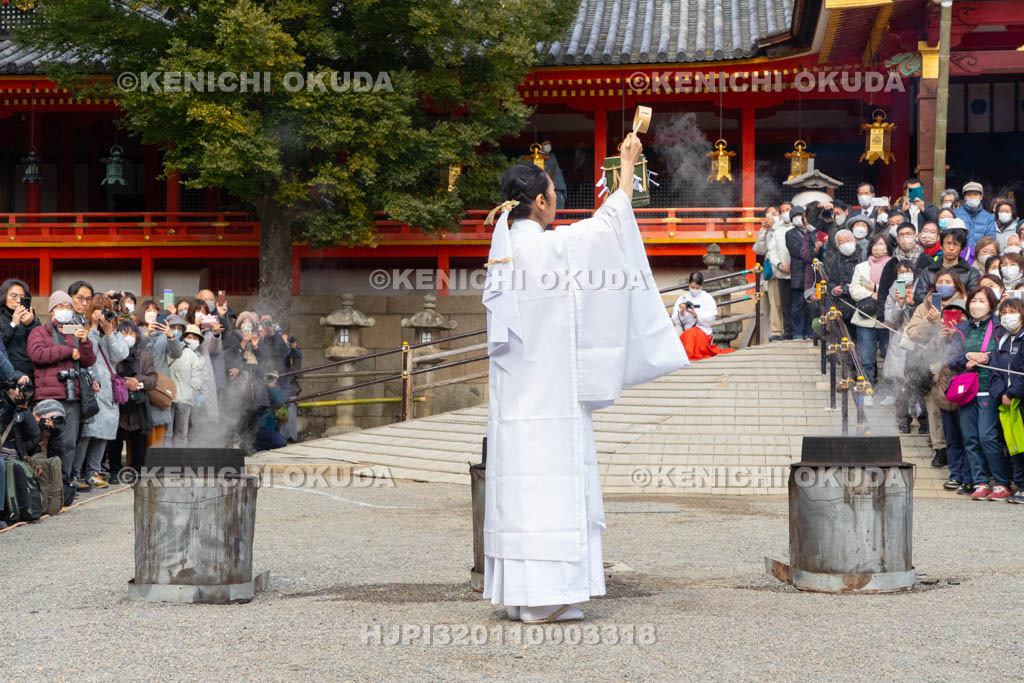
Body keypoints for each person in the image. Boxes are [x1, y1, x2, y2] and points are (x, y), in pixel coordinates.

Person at [481, 133, 686, 624]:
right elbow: (607, 228)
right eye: (553, 195)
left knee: (519, 492)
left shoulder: (503, 257)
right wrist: (628, 167)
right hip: (551, 402)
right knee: (552, 490)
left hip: (515, 404)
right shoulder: (551, 250)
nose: (557, 203)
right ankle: (546, 599)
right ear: (539, 202)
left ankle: (519, 595)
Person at [905, 269, 969, 486]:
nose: (944, 284)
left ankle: (960, 450)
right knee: (934, 405)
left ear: (957, 285)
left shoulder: (967, 303)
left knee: (958, 406)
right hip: (932, 360)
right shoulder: (925, 305)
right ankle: (939, 448)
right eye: (940, 281)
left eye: (948, 281)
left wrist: (953, 330)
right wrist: (931, 322)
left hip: (958, 362)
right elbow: (912, 332)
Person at [27, 291, 97, 485]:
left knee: (69, 442)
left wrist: (84, 343)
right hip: (48, 395)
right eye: (60, 307)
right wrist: (68, 351)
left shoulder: (74, 331)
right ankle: (45, 483)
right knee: (46, 440)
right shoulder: (40, 332)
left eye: (68, 307)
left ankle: (64, 483)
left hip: (72, 394)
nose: (65, 310)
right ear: (51, 311)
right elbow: (36, 354)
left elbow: (88, 360)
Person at [949, 286, 1012, 500]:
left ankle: (1002, 482)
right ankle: (980, 481)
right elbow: (952, 358)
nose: (977, 305)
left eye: (982, 301)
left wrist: (986, 357)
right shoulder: (962, 328)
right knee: (971, 438)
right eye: (973, 300)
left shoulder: (999, 327)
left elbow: (1006, 357)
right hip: (967, 391)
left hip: (989, 389)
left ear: (992, 304)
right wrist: (968, 355)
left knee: (988, 437)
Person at [74, 294, 129, 489]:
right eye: (96, 309)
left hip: (108, 389)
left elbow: (120, 355)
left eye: (104, 309)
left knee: (104, 432)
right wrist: (95, 331)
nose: (100, 313)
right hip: (90, 387)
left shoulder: (113, 332)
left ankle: (93, 472)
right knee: (86, 433)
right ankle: (75, 473)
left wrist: (109, 333)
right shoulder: (84, 331)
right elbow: (88, 356)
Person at [110, 320, 157, 480]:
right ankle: (114, 471)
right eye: (124, 334)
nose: (128, 337)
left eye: (131, 334)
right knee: (115, 440)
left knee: (139, 440)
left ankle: (137, 470)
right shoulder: (113, 353)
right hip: (118, 403)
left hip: (138, 405)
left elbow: (153, 380)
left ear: (137, 336)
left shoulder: (145, 355)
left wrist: (138, 379)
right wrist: (124, 383)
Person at [988, 297, 1024, 503]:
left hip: (1019, 400)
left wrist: (1012, 393)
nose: (1007, 315)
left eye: (1013, 311)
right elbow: (994, 370)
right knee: (1014, 446)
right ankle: (1019, 484)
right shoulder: (1001, 339)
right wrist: (1000, 393)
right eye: (1003, 312)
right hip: (1005, 402)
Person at [883, 260, 926, 433]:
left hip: (919, 338)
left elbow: (924, 314)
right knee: (901, 383)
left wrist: (911, 301)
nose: (904, 274)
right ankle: (903, 420)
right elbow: (891, 320)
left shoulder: (922, 288)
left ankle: (923, 420)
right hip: (900, 338)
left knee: (921, 379)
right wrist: (899, 304)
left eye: (907, 270)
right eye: (901, 271)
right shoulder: (893, 291)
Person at [850, 234, 892, 404]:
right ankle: (867, 390)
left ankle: (891, 392)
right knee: (866, 357)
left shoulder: (894, 265)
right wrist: (873, 295)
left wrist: (876, 289)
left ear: (888, 247)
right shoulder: (861, 267)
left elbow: (899, 289)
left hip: (887, 319)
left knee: (890, 356)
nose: (877, 247)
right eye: (874, 244)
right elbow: (854, 290)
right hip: (865, 317)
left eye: (881, 244)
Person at [139, 301, 181, 447]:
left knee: (159, 424)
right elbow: (132, 352)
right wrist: (147, 334)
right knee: (140, 426)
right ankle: (138, 463)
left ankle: (156, 461)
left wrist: (170, 336)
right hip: (140, 384)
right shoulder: (137, 331)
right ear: (142, 313)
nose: (152, 314)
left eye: (155, 311)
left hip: (159, 386)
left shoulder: (164, 334)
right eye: (148, 310)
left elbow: (176, 354)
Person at [672, 272, 734, 360]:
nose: (695, 290)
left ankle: (689, 354)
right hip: (686, 331)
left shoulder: (707, 298)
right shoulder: (682, 298)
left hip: (702, 331)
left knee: (692, 334)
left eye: (697, 288)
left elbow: (711, 320)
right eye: (692, 287)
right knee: (681, 333)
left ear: (702, 285)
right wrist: (681, 311)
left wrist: (696, 315)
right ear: (689, 284)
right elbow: (676, 320)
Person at [913, 224, 979, 305]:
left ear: (961, 249)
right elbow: (918, 295)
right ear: (941, 246)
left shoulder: (971, 273)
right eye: (948, 243)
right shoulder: (929, 271)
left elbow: (973, 297)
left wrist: (951, 305)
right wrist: (938, 304)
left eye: (955, 244)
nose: (951, 248)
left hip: (959, 313)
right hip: (931, 313)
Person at [165, 322, 205, 448]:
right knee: (168, 432)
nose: (191, 340)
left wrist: (195, 385)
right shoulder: (172, 349)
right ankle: (165, 459)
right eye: (189, 337)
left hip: (186, 398)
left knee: (182, 433)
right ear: (183, 336)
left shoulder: (194, 356)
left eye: (195, 338)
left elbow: (197, 374)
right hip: (169, 396)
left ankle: (179, 460)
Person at [785, 205, 816, 340]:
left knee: (810, 304)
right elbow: (797, 252)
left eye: (800, 215)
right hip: (798, 273)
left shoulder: (812, 231)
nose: (798, 218)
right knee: (798, 304)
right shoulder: (790, 234)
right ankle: (798, 333)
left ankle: (810, 332)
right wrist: (812, 251)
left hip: (811, 273)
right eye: (794, 216)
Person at [0, 279, 40, 382]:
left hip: (33, 375)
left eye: (22, 297)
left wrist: (30, 324)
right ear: (4, 296)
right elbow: (2, 345)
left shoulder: (31, 317)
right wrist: (13, 324)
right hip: (8, 376)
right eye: (14, 296)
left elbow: (40, 344)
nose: (18, 300)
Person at [765, 205, 793, 340]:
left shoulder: (798, 227)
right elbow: (766, 250)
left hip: (795, 270)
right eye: (782, 211)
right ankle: (779, 331)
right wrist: (780, 264)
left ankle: (797, 330)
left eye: (788, 210)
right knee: (779, 302)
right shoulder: (775, 231)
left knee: (796, 302)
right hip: (778, 271)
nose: (784, 213)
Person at [826, 229, 861, 325]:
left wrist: (856, 286)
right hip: (843, 302)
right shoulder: (837, 258)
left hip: (860, 303)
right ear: (837, 246)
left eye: (848, 240)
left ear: (854, 241)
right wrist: (834, 290)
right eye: (841, 242)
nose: (845, 244)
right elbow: (831, 281)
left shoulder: (864, 255)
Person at [954, 181, 996, 248]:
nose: (972, 197)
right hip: (959, 254)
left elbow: (990, 240)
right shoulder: (955, 214)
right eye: (969, 195)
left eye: (975, 194)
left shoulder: (988, 217)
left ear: (981, 197)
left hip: (980, 255)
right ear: (964, 197)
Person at [537, 133, 567, 210]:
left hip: (559, 189)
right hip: (550, 191)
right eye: (545, 144)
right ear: (541, 146)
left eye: (549, 143)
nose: (548, 145)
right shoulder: (538, 159)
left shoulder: (552, 156)